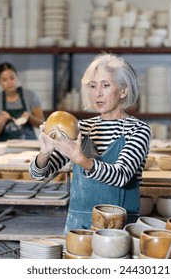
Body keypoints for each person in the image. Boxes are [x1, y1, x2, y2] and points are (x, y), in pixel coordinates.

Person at [29, 53, 152, 233]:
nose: (97, 93)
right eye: (93, 86)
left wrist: (83, 161)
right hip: (79, 226)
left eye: (106, 85)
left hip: (119, 228)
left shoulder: (138, 130)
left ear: (123, 91)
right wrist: (45, 154)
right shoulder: (81, 128)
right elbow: (38, 174)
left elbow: (121, 175)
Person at [0, 62, 45, 142]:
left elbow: (43, 125)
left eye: (12, 78)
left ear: (17, 77)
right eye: (4, 80)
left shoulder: (30, 96)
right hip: (5, 148)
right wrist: (1, 123)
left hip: (28, 145)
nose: (9, 82)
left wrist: (30, 117)